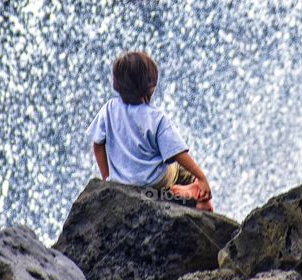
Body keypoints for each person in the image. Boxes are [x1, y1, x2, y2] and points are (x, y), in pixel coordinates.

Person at [87, 50, 213, 211]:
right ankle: (192, 195)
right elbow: (177, 153)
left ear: (117, 85)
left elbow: (98, 145)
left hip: (122, 182)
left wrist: (107, 178)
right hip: (154, 182)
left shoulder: (108, 109)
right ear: (151, 86)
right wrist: (202, 177)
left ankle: (178, 192)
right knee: (183, 171)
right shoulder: (156, 118)